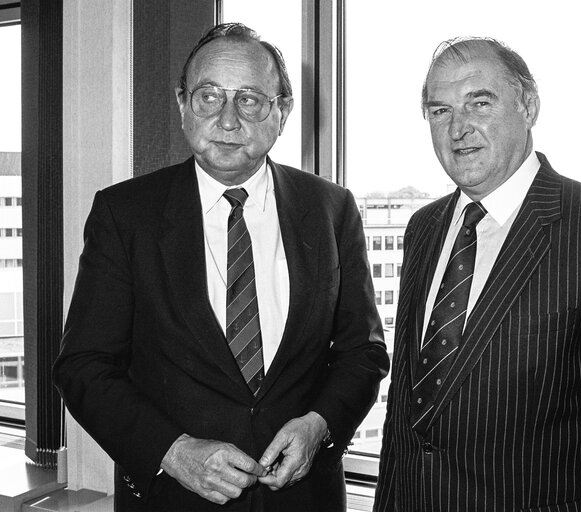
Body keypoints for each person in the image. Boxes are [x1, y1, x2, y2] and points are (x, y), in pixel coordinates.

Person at [53, 23, 389, 512]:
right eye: (209, 96)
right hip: (173, 498)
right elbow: (83, 367)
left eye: (250, 99)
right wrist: (173, 452)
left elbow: (363, 351)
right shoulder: (125, 214)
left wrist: (320, 425)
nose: (228, 120)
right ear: (182, 105)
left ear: (283, 112)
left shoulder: (332, 209)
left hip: (303, 499)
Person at [374, 37, 581, 512]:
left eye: (479, 102)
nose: (459, 128)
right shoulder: (423, 228)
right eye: (440, 111)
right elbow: (409, 411)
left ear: (529, 106)